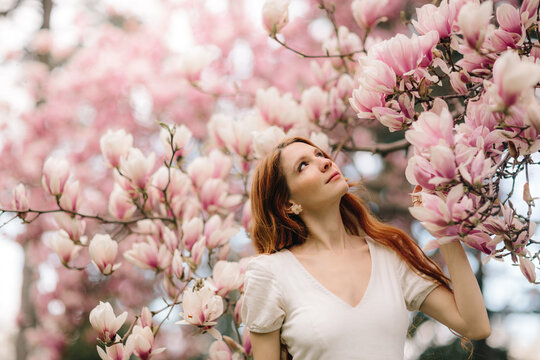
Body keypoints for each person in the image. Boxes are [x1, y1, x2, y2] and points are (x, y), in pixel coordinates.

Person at [241, 137, 490, 360]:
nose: (325, 162)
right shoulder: (270, 273)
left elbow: (474, 325)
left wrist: (443, 228)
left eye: (320, 155)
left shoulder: (390, 255)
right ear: (287, 203)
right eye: (303, 166)